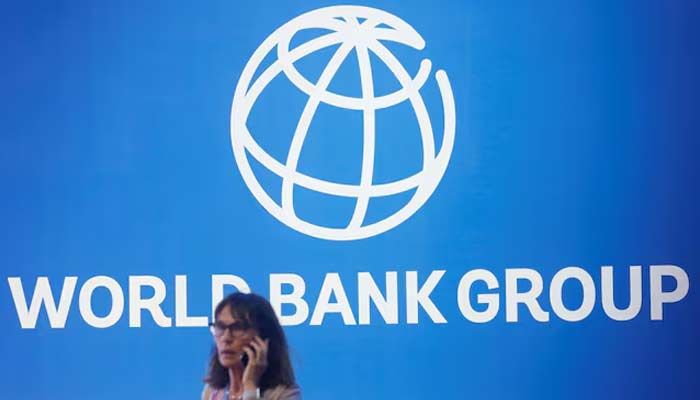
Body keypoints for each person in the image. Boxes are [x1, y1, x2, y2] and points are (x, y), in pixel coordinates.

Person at [202, 292, 302, 400]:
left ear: (262, 339)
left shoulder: (285, 394)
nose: (226, 338)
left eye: (237, 328)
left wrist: (250, 385)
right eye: (220, 327)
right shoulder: (212, 392)